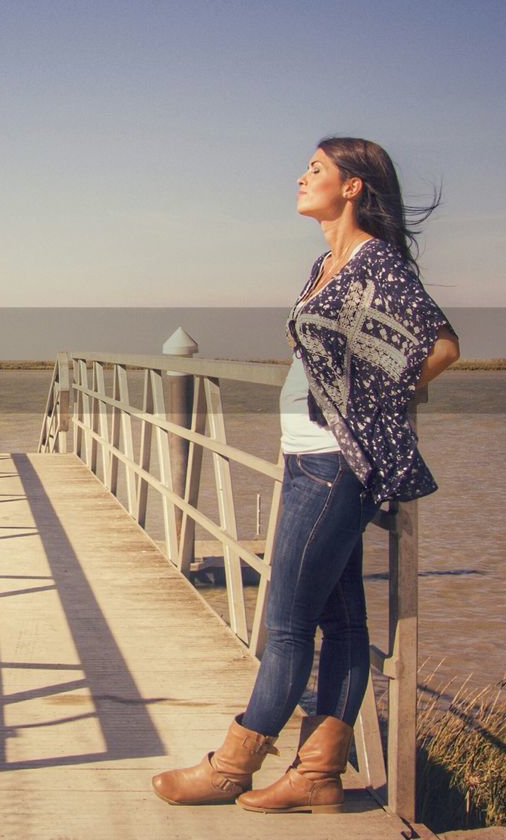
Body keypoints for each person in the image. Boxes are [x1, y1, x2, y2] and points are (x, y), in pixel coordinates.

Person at [152, 136, 460, 814]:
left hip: (333, 458)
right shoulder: (327, 262)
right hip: (305, 451)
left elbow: (439, 345)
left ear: (352, 186)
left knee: (286, 620)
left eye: (316, 169)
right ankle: (318, 772)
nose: (301, 176)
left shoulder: (376, 262)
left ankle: (234, 763)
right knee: (342, 618)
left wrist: (376, 402)